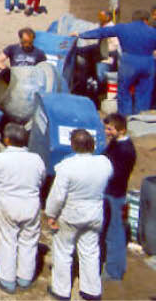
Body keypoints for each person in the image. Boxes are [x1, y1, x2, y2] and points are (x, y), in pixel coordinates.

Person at [45, 129, 113, 301]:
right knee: (90, 251)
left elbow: (58, 196)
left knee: (63, 251)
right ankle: (91, 290)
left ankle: (61, 290)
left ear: (73, 145)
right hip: (94, 212)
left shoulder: (66, 167)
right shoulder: (104, 163)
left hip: (71, 213)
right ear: (92, 145)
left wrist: (51, 214)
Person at [0, 123, 45, 294]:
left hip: (7, 203)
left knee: (7, 240)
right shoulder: (37, 159)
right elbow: (41, 180)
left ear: (7, 140)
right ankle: (25, 278)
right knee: (29, 240)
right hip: (31, 204)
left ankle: (7, 280)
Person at [76, 13, 156, 116]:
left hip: (129, 63)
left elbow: (102, 32)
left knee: (124, 90)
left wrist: (81, 34)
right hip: (148, 63)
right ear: (145, 20)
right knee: (144, 92)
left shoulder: (123, 28)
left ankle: (125, 117)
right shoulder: (152, 31)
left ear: (133, 19)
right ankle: (141, 117)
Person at [102, 112, 136, 282]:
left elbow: (116, 174)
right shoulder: (116, 144)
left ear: (121, 130)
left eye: (110, 129)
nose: (106, 132)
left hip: (115, 196)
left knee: (115, 233)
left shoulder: (126, 150)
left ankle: (114, 271)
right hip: (110, 193)